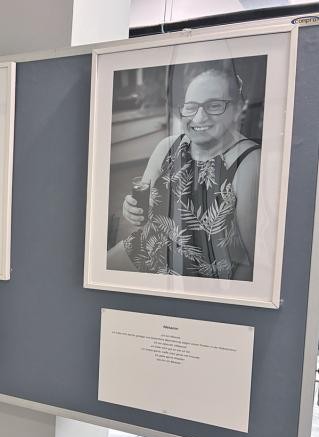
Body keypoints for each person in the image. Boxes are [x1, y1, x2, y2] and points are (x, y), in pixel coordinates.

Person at [109, 64, 260, 280]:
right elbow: (144, 217)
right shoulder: (167, 146)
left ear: (237, 108)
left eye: (214, 105)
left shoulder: (248, 162)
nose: (198, 118)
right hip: (146, 251)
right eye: (191, 107)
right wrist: (131, 210)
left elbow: (250, 261)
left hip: (196, 281)